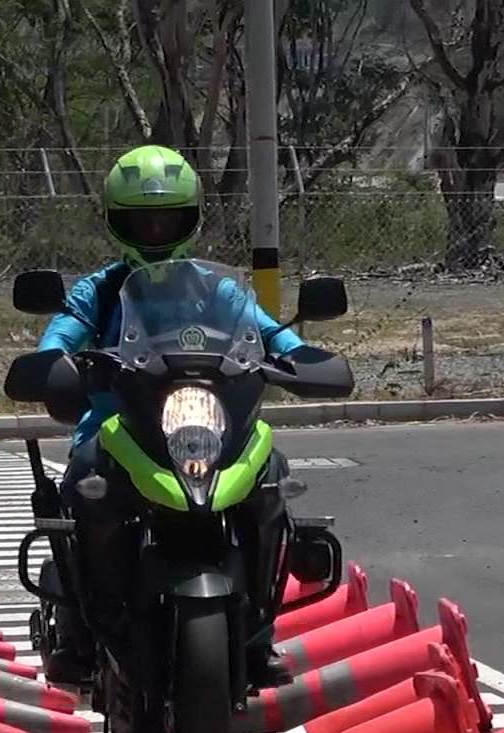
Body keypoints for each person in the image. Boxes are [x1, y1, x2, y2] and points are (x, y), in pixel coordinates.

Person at [33, 144, 308, 690]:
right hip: (120, 430)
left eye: (168, 217)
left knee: (270, 473)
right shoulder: (101, 289)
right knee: (86, 481)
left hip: (207, 425)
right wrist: (50, 365)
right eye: (142, 219)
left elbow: (269, 330)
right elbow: (61, 335)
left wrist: (301, 355)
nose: (156, 230)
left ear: (190, 218)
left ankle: (256, 632)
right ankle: (83, 628)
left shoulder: (216, 288)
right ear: (118, 222)